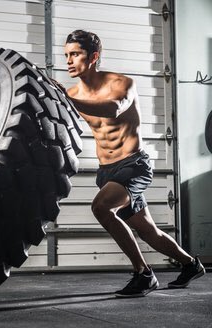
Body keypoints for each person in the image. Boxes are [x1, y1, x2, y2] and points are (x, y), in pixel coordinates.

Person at [62, 29, 205, 298]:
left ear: (93, 56)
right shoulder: (73, 92)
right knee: (148, 231)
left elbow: (114, 108)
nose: (68, 60)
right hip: (107, 171)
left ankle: (143, 273)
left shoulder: (121, 83)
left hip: (134, 165)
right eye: (66, 55)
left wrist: (69, 99)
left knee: (101, 208)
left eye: (75, 54)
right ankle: (190, 264)